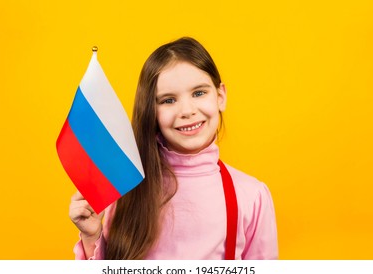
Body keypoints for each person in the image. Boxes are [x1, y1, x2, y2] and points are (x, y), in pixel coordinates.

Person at [69, 37, 278, 260]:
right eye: (168, 100)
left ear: (220, 97)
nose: (187, 110)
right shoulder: (127, 192)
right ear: (152, 111)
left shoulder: (252, 196)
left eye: (199, 93)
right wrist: (92, 237)